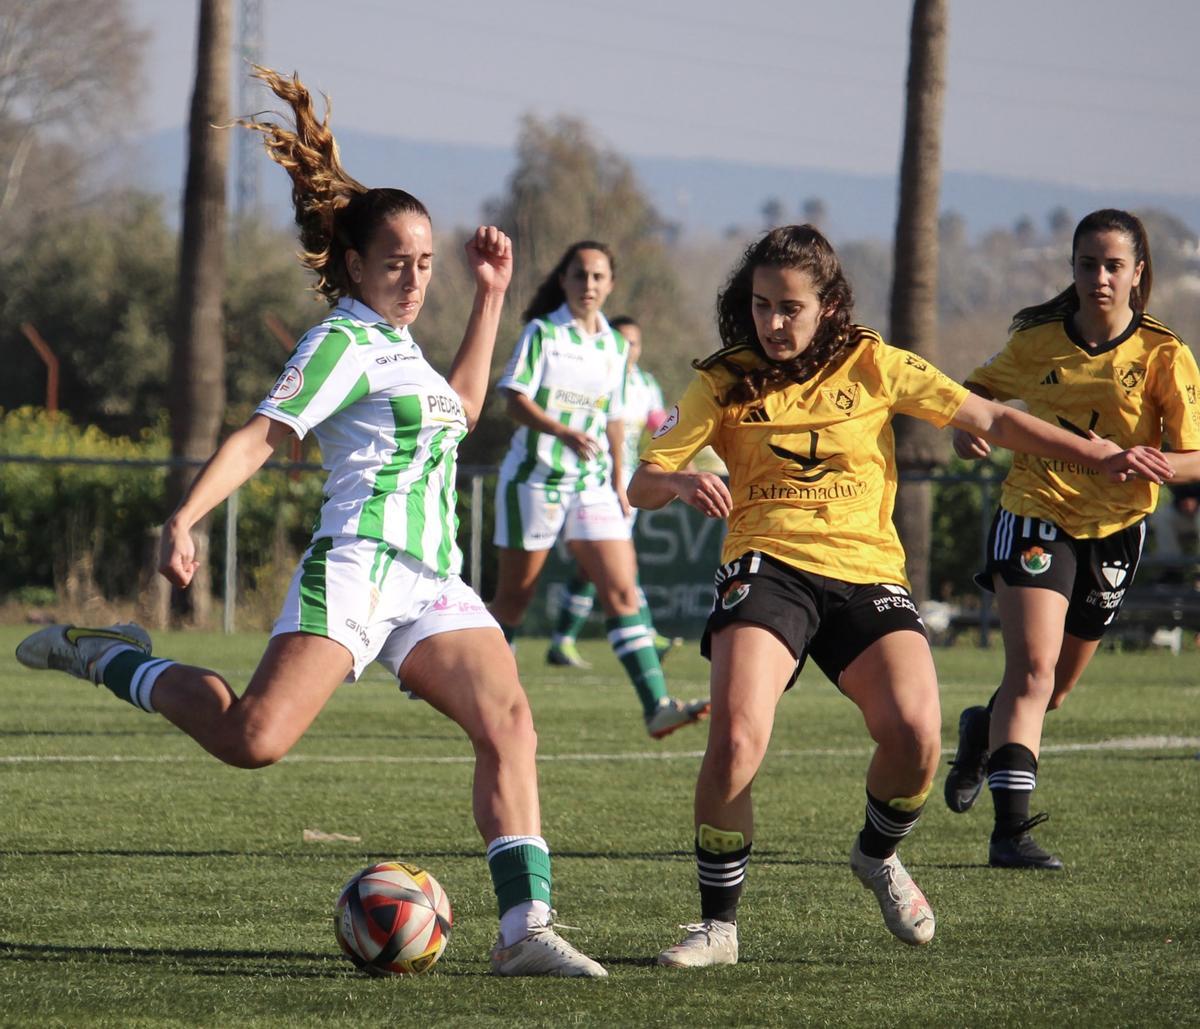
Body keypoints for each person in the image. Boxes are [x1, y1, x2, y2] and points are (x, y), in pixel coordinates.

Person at [14, 67, 607, 978]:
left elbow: (461, 408)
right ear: (356, 265)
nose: (413, 278)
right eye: (396, 263)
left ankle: (524, 927)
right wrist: (187, 516)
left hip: (430, 577)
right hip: (361, 563)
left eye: (424, 263)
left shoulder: (402, 344)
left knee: (510, 722)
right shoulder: (340, 341)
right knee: (254, 740)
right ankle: (115, 654)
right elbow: (260, 436)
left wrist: (490, 295)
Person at [627, 224, 1170, 965]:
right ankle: (718, 924)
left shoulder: (874, 362)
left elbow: (990, 416)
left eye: (790, 307)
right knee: (736, 738)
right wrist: (682, 479)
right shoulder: (724, 378)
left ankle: (878, 855)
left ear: (829, 306)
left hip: (866, 574)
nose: (773, 323)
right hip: (768, 566)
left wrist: (1094, 451)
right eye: (760, 306)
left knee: (917, 736)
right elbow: (642, 480)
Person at [943, 208, 1200, 869]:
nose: (1100, 278)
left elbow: (1193, 454)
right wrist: (964, 428)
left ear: (1139, 273)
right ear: (1074, 269)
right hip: (1036, 511)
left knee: (1052, 688)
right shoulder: (1037, 342)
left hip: (1116, 530)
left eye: (1114, 265)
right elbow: (976, 394)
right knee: (1030, 670)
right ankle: (1011, 835)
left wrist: (1156, 464)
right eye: (1088, 264)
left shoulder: (1164, 353)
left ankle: (980, 728)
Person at [488, 242, 709, 739]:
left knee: (624, 590)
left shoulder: (613, 345)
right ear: (564, 280)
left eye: (598, 277)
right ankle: (471, 685)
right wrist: (561, 431)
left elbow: (614, 417)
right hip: (535, 478)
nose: (589, 284)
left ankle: (657, 707)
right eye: (580, 275)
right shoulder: (543, 333)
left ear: (610, 284)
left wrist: (616, 477)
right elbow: (513, 400)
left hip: (590, 484)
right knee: (513, 604)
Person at [545, 314, 682, 669]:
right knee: (618, 560)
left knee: (595, 568)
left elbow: (659, 424)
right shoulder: (599, 376)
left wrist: (687, 464)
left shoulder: (645, 383)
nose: (628, 349)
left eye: (634, 343)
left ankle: (561, 641)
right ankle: (646, 633)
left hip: (630, 481)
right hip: (602, 481)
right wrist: (615, 480)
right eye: (623, 340)